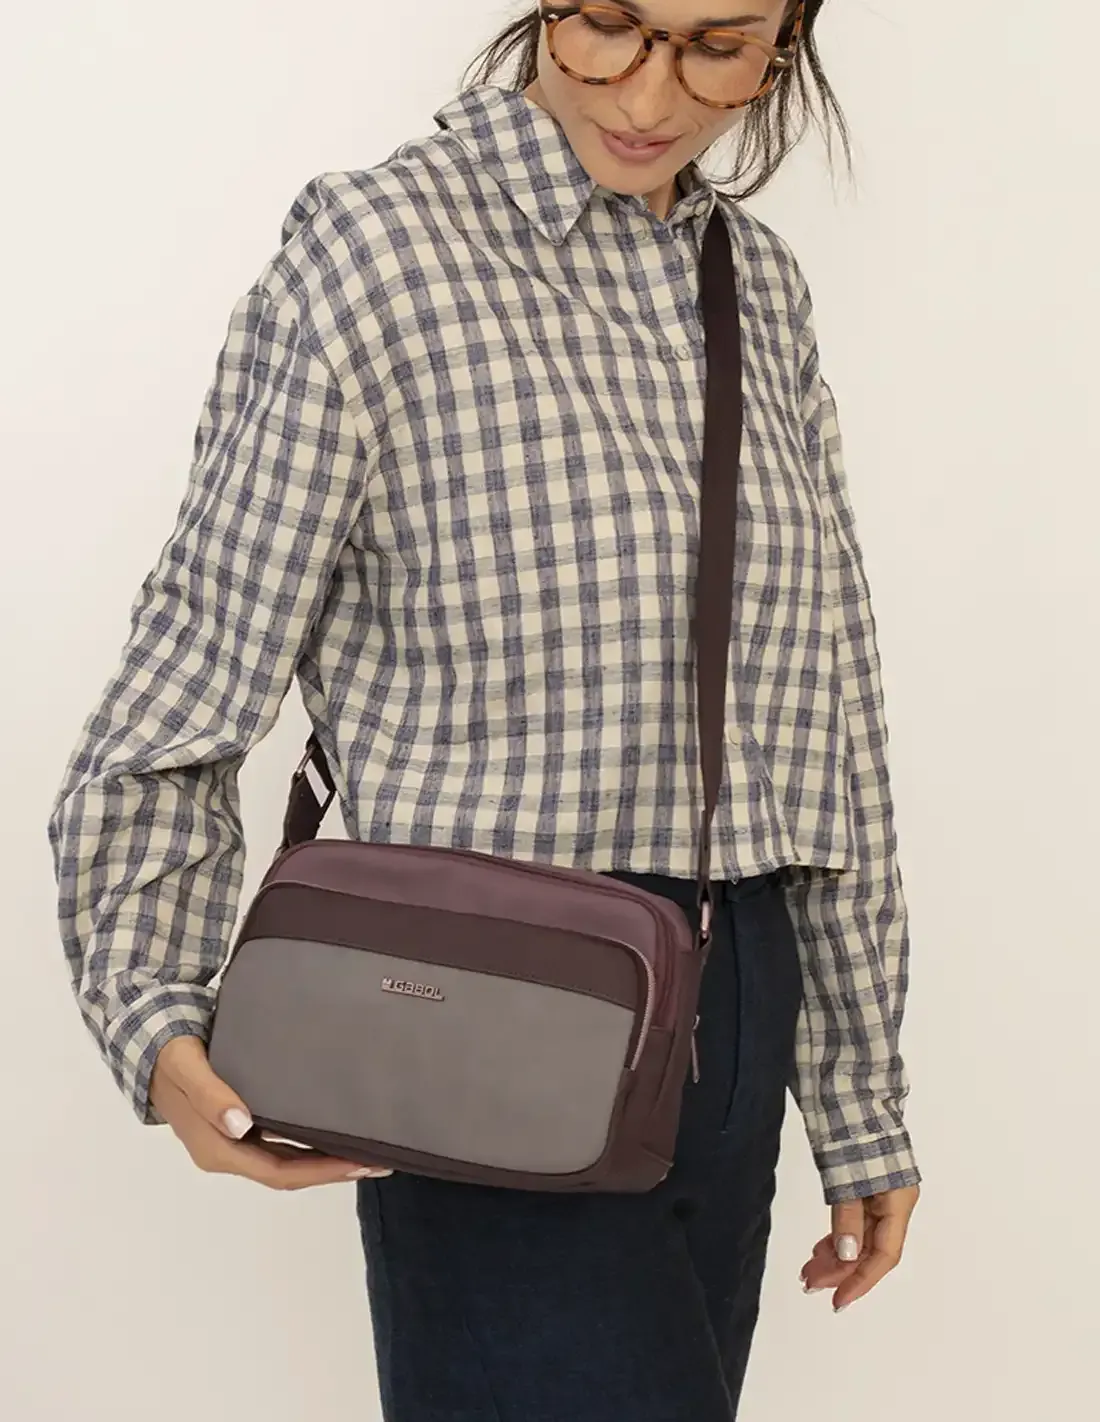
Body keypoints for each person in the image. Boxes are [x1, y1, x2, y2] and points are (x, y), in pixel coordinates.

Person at [47, 2, 921, 1417]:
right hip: (488, 998)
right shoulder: (377, 254)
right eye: (611, 26)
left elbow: (826, 709)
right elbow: (190, 672)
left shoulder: (756, 286)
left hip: (739, 987)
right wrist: (155, 1014)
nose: (651, 94)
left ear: (787, 41)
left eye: (717, 46)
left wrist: (859, 1094)